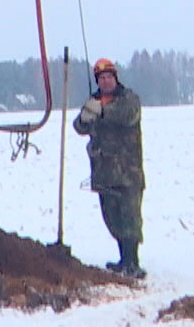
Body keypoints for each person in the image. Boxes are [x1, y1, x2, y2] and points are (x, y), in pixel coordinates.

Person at [72, 56, 145, 278]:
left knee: (130, 218)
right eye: (101, 78)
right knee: (112, 219)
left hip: (127, 174)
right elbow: (79, 126)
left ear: (115, 78)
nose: (105, 81)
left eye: (108, 77)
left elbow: (128, 116)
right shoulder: (94, 101)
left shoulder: (128, 99)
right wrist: (85, 117)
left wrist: (102, 112)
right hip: (104, 173)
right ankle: (123, 260)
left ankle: (133, 262)